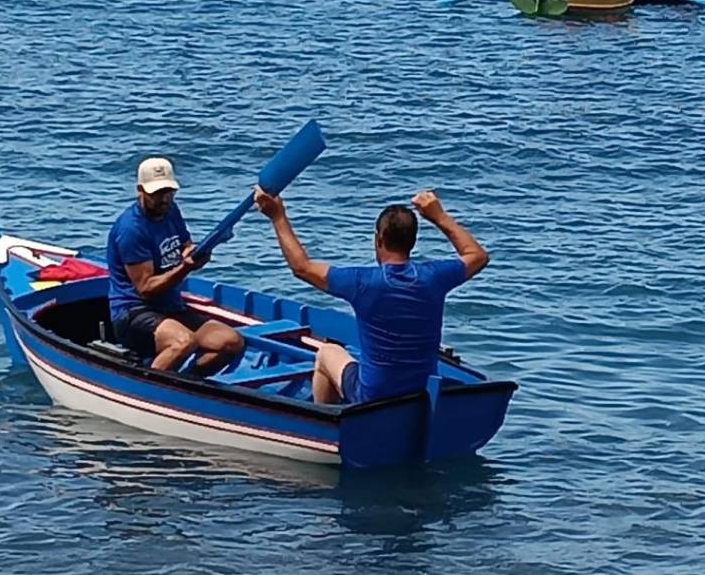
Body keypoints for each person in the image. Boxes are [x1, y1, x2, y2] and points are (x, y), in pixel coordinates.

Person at [252, 187, 489, 405]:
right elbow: (477, 255)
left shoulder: (363, 282)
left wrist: (278, 217)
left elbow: (301, 267)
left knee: (327, 353)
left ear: (379, 239)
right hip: (420, 390)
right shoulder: (434, 277)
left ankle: (327, 422)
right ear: (412, 242)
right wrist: (439, 217)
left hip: (372, 396)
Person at [107, 158, 245, 374]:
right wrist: (185, 268)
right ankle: (148, 391)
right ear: (140, 190)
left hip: (171, 308)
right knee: (183, 342)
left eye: (169, 192)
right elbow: (146, 289)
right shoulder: (131, 230)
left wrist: (195, 253)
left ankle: (185, 383)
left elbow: (184, 245)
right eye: (157, 193)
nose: (164, 199)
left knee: (231, 341)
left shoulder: (170, 210)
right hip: (134, 313)